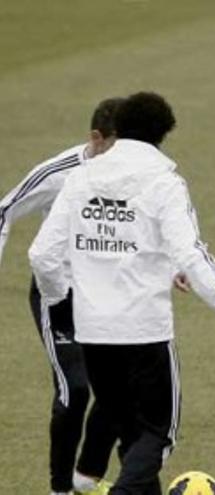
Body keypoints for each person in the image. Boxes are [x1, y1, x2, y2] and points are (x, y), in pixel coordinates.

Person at [28, 92, 215, 495]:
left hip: (93, 333)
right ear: (163, 134)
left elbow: (42, 254)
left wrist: (59, 306)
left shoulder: (81, 177)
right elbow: (190, 255)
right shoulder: (163, 182)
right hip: (145, 333)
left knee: (129, 433)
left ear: (118, 129)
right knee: (158, 434)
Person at [0, 97, 125, 495]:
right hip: (59, 296)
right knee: (76, 388)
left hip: (106, 296)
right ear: (96, 139)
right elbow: (5, 210)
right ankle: (59, 490)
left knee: (119, 387)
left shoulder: (133, 172)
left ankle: (85, 479)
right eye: (118, 147)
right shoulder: (59, 173)